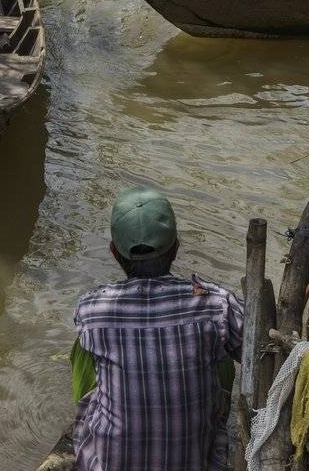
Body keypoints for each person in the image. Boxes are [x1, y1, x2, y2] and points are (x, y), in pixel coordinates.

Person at [69, 185, 243, 471]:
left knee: (84, 350)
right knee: (222, 355)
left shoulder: (92, 309)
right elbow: (260, 347)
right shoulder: (215, 304)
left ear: (114, 252)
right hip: (195, 463)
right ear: (176, 247)